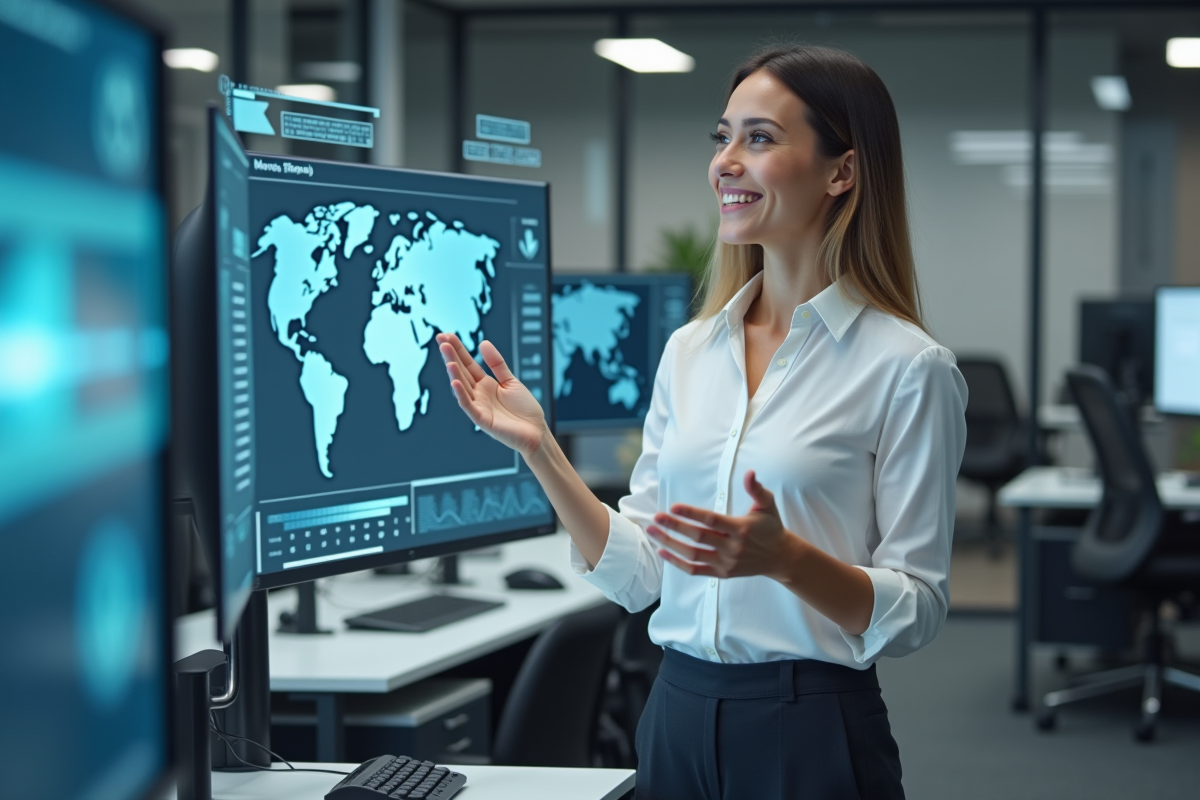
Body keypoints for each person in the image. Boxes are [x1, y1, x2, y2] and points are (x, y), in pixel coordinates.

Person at [437, 44, 967, 800]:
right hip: (676, 711)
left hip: (809, 724)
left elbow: (917, 608)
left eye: (760, 138)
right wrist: (540, 448)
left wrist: (788, 560)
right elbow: (640, 575)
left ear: (841, 172)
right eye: (723, 137)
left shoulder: (909, 367)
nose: (726, 161)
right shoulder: (690, 350)